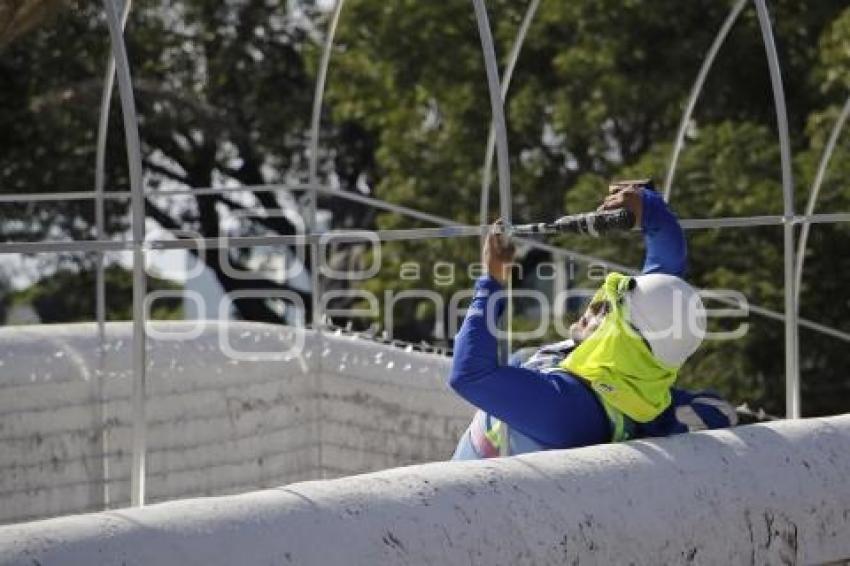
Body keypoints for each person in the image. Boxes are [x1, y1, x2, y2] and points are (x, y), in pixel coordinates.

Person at [449, 180, 736, 460]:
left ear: (626, 342)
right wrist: (646, 204)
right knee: (523, 356)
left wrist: (492, 281)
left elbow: (470, 374)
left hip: (463, 502)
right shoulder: (640, 380)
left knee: (522, 358)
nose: (593, 305)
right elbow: (665, 273)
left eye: (607, 311)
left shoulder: (568, 410)